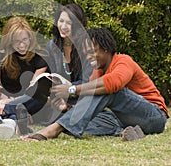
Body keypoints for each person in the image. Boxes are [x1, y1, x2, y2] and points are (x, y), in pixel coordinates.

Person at [22, 27, 168, 141]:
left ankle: (52, 131)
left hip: (154, 117)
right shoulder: (96, 72)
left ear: (106, 48)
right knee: (84, 120)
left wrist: (72, 89)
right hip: (124, 120)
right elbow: (89, 104)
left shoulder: (124, 61)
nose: (88, 56)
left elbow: (113, 84)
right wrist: (66, 108)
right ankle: (131, 132)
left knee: (109, 90)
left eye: (92, 51)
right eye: (85, 52)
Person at [45, 4, 122, 136]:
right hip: (61, 101)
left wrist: (69, 89)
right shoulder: (52, 46)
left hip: (85, 98)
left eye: (69, 23)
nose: (63, 26)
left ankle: (114, 127)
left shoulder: (87, 47)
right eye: (61, 21)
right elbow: (51, 75)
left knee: (98, 119)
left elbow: (90, 81)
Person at [0, 16, 50, 135]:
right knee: (8, 108)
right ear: (9, 41)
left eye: (25, 39)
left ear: (30, 38)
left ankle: (11, 114)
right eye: (17, 41)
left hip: (28, 101)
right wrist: (4, 101)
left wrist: (8, 105)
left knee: (38, 95)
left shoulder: (40, 57)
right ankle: (17, 122)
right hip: (3, 100)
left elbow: (32, 90)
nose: (22, 45)